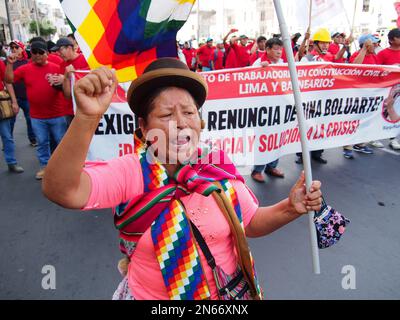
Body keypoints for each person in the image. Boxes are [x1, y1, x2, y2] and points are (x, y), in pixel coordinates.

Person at [42, 58, 323, 300]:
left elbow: (248, 222)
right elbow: (62, 191)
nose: (181, 122)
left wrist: (290, 207)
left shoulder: (217, 165)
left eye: (189, 112)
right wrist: (87, 118)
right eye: (165, 114)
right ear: (143, 126)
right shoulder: (131, 171)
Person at [5, 41, 68, 180]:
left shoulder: (57, 67)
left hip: (57, 114)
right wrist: (9, 63)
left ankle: (63, 168)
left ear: (47, 53)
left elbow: (69, 84)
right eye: (35, 52)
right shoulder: (25, 69)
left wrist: (64, 79)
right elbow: (9, 79)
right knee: (42, 142)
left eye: (41, 52)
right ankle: (45, 167)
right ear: (31, 54)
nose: (38, 55)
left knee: (61, 142)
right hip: (37, 116)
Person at [251, 38, 285, 183]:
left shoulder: (282, 64)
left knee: (278, 138)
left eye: (280, 49)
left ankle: (272, 166)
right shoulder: (259, 63)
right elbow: (248, 80)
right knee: (264, 139)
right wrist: (260, 70)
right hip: (263, 108)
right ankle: (257, 170)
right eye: (276, 48)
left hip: (279, 107)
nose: (279, 52)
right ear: (268, 49)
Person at [7, 40, 37, 147]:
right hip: (14, 97)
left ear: (22, 48)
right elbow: (8, 82)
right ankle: (8, 142)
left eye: (16, 47)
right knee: (10, 121)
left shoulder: (29, 62)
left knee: (30, 119)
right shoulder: (9, 63)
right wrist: (13, 100)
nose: (14, 50)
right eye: (12, 48)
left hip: (27, 97)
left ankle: (33, 139)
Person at [377, 28, 400, 150]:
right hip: (385, 89)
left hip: (398, 91)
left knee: (396, 114)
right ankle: (373, 137)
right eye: (398, 37)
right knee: (381, 113)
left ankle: (393, 138)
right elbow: (376, 71)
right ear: (391, 40)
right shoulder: (382, 54)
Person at [0, 58, 24, 173]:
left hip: (1, 104)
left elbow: (7, 82)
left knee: (7, 136)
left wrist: (14, 101)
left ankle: (11, 162)